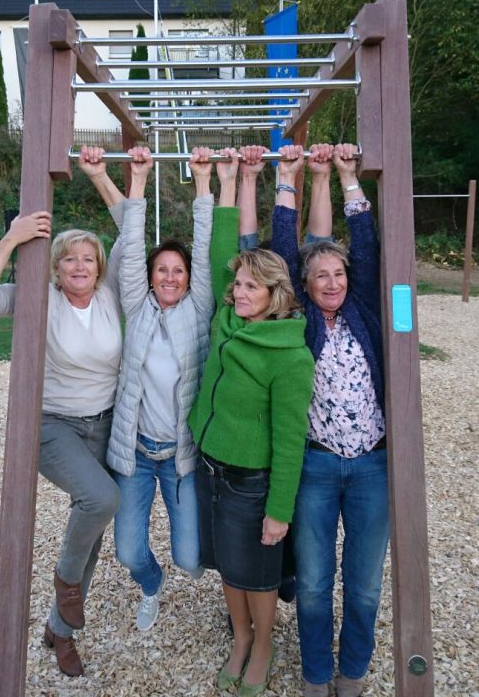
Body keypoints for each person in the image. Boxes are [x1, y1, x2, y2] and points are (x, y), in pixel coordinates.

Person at [0, 146, 131, 678]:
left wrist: (99, 176)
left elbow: (131, 230)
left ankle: (60, 630)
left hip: (104, 423)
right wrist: (14, 238)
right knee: (102, 498)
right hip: (54, 424)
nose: (80, 266)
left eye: (88, 258)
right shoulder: (41, 297)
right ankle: (65, 582)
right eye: (69, 259)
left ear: (99, 267)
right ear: (55, 267)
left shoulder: (110, 295)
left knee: (94, 526)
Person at [188, 145, 315, 697]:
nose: (238, 292)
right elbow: (223, 250)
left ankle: (263, 643)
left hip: (251, 480)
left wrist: (279, 511)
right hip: (210, 467)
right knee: (226, 564)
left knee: (258, 572)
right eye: (237, 284)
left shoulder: (289, 355)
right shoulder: (228, 319)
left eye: (250, 287)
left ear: (274, 295)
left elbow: (290, 440)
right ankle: (240, 637)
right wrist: (222, 182)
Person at [269, 143, 389, 697]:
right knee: (315, 582)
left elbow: (366, 243)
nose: (333, 282)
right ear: (306, 283)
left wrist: (348, 177)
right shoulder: (302, 321)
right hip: (316, 466)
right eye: (321, 275)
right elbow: (281, 251)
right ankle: (317, 673)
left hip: (371, 467)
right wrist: (287, 178)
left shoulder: (362, 309)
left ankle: (353, 671)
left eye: (339, 273)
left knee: (363, 584)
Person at [105, 146, 216, 631]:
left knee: (191, 558)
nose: (170, 277)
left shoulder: (199, 308)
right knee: (129, 552)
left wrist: (203, 181)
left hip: (180, 456)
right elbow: (131, 247)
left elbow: (205, 244)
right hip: (135, 452)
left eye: (178, 270)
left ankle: (189, 572)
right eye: (161, 269)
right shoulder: (138, 306)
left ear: (189, 278)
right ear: (150, 277)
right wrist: (137, 179)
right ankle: (151, 585)